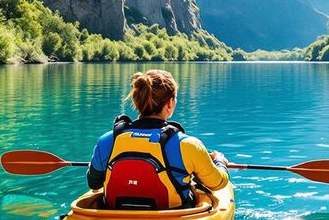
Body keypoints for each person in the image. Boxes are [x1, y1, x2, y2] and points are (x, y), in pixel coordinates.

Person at [87, 69, 230, 210]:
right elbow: (218, 183)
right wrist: (219, 161)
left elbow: (94, 184)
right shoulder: (188, 145)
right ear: (169, 104)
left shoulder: (107, 140)